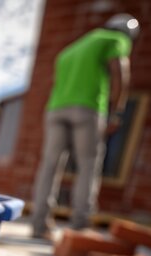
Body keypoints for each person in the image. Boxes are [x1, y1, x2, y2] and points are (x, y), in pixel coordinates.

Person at [31, 14, 139, 240]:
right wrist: (117, 112)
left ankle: (39, 225)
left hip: (56, 109)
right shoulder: (115, 40)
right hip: (87, 108)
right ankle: (80, 225)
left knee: (50, 165)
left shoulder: (70, 50)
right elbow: (120, 72)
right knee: (88, 164)